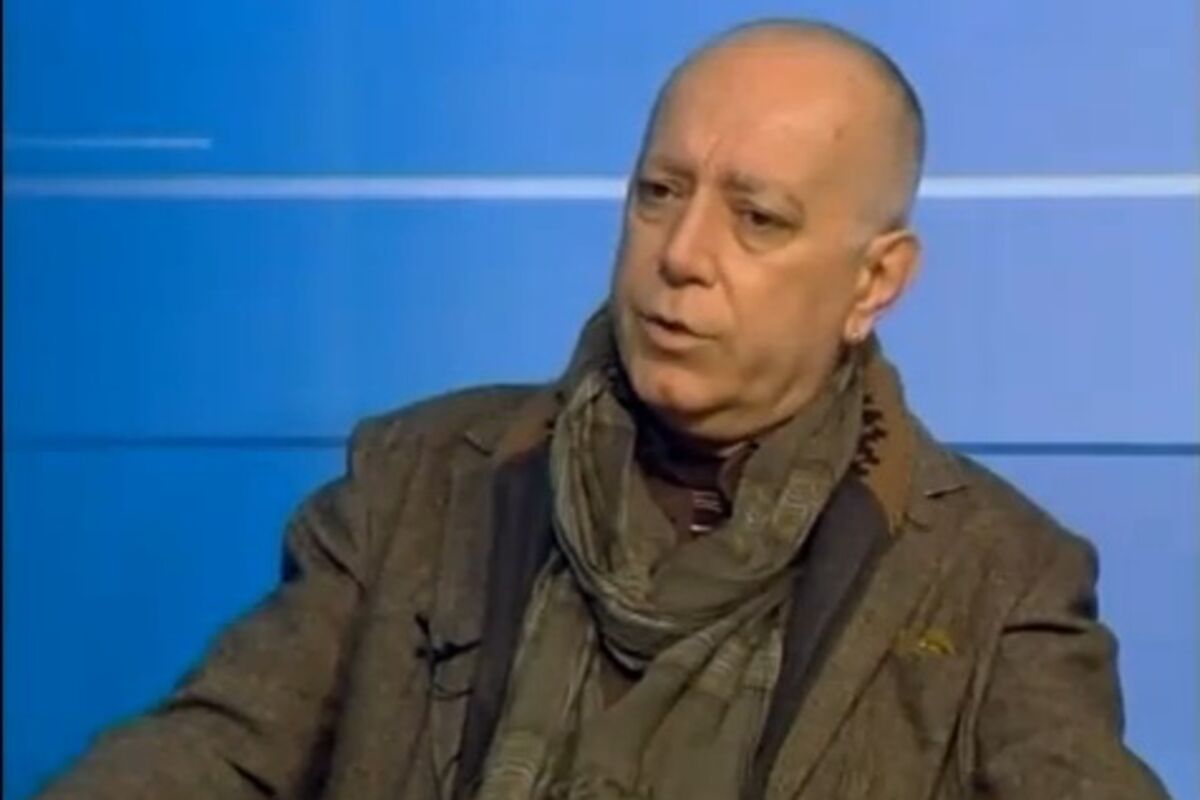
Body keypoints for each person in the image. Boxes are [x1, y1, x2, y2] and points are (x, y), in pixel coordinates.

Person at [39, 18, 1168, 800]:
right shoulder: (420, 477)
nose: (682, 254)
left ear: (876, 281)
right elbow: (214, 755)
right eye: (659, 192)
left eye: (757, 219)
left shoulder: (996, 578)